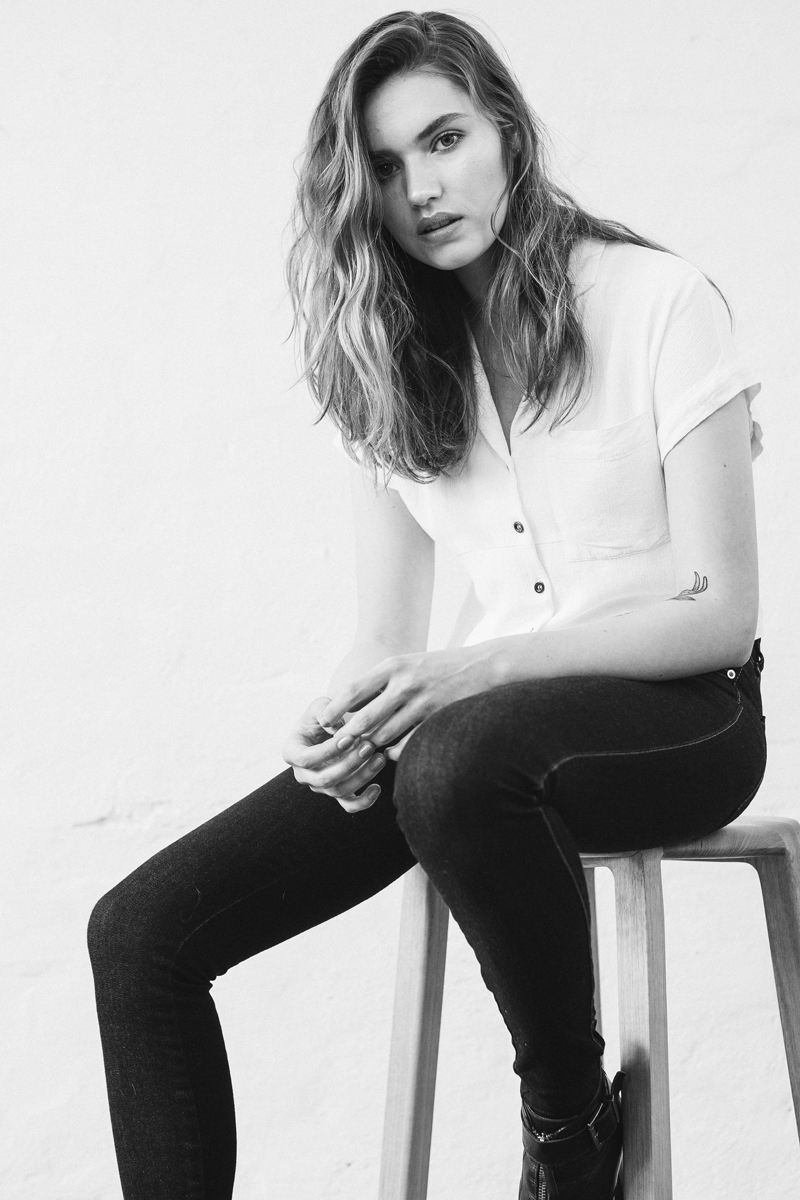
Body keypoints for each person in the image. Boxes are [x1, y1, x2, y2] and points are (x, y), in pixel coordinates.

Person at [87, 11, 767, 1199]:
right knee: (140, 935)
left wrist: (476, 671)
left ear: (504, 129)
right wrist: (339, 718)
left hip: (682, 713)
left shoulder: (657, 301)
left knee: (453, 759)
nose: (420, 189)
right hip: (472, 745)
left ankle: (566, 1129)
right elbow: (387, 639)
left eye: (443, 140)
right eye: (385, 166)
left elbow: (718, 614)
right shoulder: (390, 358)